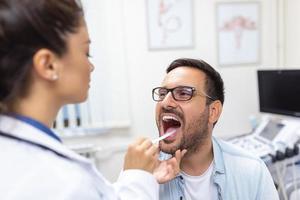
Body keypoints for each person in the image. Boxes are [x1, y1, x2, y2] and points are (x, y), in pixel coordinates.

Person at [0, 0, 185, 199]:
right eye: (86, 52)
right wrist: (138, 177)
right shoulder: (60, 180)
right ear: (48, 65)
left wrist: (141, 177)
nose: (91, 66)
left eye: (183, 94)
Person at [152, 58, 279, 200]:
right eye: (162, 94)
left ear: (213, 111)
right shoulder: (142, 173)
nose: (165, 102)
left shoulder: (253, 171)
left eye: (183, 93)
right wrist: (142, 183)